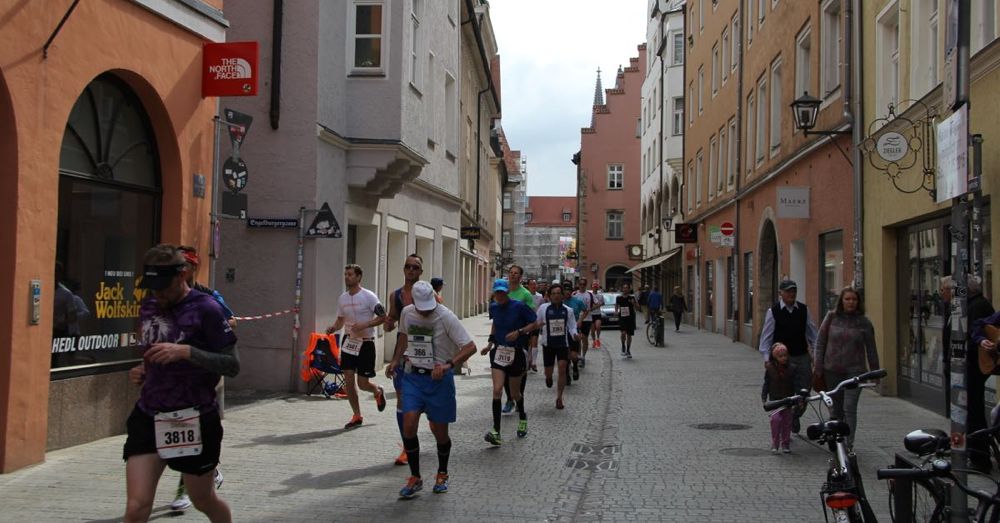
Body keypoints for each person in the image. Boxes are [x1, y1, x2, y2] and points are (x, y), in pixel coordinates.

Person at [122, 244, 239, 523]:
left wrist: (188, 352)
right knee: (136, 507)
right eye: (152, 286)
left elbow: (232, 366)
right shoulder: (148, 305)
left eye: (163, 285)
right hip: (150, 414)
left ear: (182, 275)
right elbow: (155, 351)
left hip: (194, 417)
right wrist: (143, 369)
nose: (158, 292)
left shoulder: (207, 308)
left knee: (203, 500)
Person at [386, 281, 477, 498]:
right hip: (413, 377)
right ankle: (415, 477)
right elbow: (404, 337)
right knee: (408, 424)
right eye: (421, 308)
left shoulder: (446, 316)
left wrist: (447, 365)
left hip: (439, 381)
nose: (425, 312)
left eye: (429, 307)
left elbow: (470, 346)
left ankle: (442, 473)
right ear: (414, 303)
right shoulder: (407, 313)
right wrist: (395, 360)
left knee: (440, 432)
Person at [168, 246, 230, 511]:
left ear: (194, 268)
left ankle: (185, 490)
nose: (179, 270)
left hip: (202, 372)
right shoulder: (164, 297)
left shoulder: (208, 295)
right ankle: (210, 471)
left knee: (188, 431)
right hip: (169, 376)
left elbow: (231, 322)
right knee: (181, 432)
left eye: (184, 265)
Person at [812, 287, 879, 444]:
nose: (851, 302)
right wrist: (818, 366)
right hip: (831, 369)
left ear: (858, 302)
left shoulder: (864, 322)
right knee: (836, 408)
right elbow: (820, 342)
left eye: (854, 299)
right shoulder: (831, 317)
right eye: (847, 299)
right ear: (841, 301)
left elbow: (871, 348)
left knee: (850, 408)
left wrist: (875, 372)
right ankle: (837, 440)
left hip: (855, 371)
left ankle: (849, 444)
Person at [325, 264, 388, 429]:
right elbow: (340, 320)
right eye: (345, 274)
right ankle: (357, 415)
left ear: (359, 277)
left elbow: (383, 316)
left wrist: (364, 324)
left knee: (362, 384)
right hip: (349, 342)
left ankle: (377, 391)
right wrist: (333, 328)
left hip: (366, 342)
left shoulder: (369, 296)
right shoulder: (342, 298)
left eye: (350, 274)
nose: (347, 277)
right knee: (348, 380)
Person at [758, 279, 818, 434]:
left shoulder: (804, 310)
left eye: (794, 291)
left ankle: (795, 415)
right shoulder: (774, 312)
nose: (791, 294)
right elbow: (766, 337)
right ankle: (788, 420)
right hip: (782, 360)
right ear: (781, 293)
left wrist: (816, 356)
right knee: (785, 392)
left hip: (802, 356)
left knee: (804, 392)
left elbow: (813, 335)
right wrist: (766, 359)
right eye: (788, 291)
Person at [482, 279, 537, 444]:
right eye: (497, 292)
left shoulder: (519, 306)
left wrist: (519, 332)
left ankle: (522, 417)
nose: (499, 295)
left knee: (515, 394)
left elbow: (534, 324)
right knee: (497, 390)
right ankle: (496, 431)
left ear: (507, 292)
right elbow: (495, 325)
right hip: (499, 352)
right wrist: (489, 344)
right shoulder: (493, 307)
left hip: (516, 353)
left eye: (502, 292)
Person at [384, 254, 425, 466]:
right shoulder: (396, 295)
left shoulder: (428, 296)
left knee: (421, 405)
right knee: (402, 400)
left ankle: (415, 439)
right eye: (408, 266)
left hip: (425, 357)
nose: (411, 270)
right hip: (402, 356)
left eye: (415, 267)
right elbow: (391, 320)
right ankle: (407, 447)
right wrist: (388, 324)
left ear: (421, 272)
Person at [530, 283, 578, 409]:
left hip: (562, 344)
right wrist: (538, 325)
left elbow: (572, 326)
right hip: (548, 344)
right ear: (549, 296)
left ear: (562, 296)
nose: (556, 296)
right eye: (554, 294)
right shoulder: (543, 308)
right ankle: (549, 377)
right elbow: (536, 322)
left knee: (562, 369)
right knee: (549, 372)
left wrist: (574, 335)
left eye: (558, 293)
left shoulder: (568, 310)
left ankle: (559, 398)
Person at [967, 277, 997, 472]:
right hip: (975, 365)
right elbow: (979, 325)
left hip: (976, 368)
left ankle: (981, 457)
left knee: (977, 413)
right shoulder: (977, 306)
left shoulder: (978, 304)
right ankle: (979, 455)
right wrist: (980, 339)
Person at [502, 265, 536, 414]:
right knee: (503, 368)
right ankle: (509, 398)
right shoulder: (503, 292)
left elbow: (531, 318)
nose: (513, 275)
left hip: (520, 336)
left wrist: (524, 333)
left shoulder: (525, 294)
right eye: (511, 273)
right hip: (503, 336)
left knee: (519, 370)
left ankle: (518, 397)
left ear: (520, 277)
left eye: (516, 273)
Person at [762, 343, 799, 454]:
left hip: (788, 400)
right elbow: (766, 383)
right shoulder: (770, 368)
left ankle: (785, 444)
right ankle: (775, 442)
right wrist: (764, 397)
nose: (784, 358)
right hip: (775, 400)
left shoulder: (792, 369)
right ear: (775, 357)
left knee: (787, 422)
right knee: (775, 420)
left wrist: (799, 398)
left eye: (785, 355)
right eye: (780, 356)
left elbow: (796, 384)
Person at [572, 278, 600, 370]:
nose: (582, 285)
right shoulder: (574, 294)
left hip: (587, 319)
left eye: (584, 284)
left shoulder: (590, 294)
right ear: (578, 284)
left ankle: (583, 356)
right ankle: (579, 356)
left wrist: (591, 309)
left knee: (584, 339)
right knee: (578, 339)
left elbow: (598, 303)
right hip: (576, 319)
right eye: (580, 284)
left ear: (586, 285)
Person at [563, 286, 588, 384]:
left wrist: (580, 320)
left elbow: (586, 311)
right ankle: (566, 375)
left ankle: (575, 367)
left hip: (574, 330)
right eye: (565, 290)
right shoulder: (559, 302)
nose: (567, 292)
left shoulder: (577, 301)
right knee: (564, 355)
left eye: (569, 290)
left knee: (573, 354)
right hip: (561, 331)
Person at [590, 282, 605, 350]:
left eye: (596, 287)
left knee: (598, 326)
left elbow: (603, 303)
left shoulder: (600, 296)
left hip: (598, 314)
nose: (595, 288)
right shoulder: (590, 295)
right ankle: (593, 341)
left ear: (598, 288)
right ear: (592, 287)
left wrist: (599, 304)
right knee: (592, 330)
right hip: (591, 314)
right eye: (594, 287)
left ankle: (598, 339)